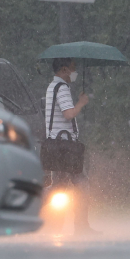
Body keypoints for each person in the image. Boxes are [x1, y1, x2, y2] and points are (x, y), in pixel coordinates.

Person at [43, 58, 97, 235]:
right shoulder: (62, 88)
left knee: (57, 186)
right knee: (82, 184)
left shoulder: (52, 86)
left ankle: (30, 206)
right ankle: (81, 226)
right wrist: (81, 103)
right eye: (73, 68)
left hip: (55, 144)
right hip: (65, 147)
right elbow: (68, 114)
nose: (75, 73)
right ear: (64, 69)